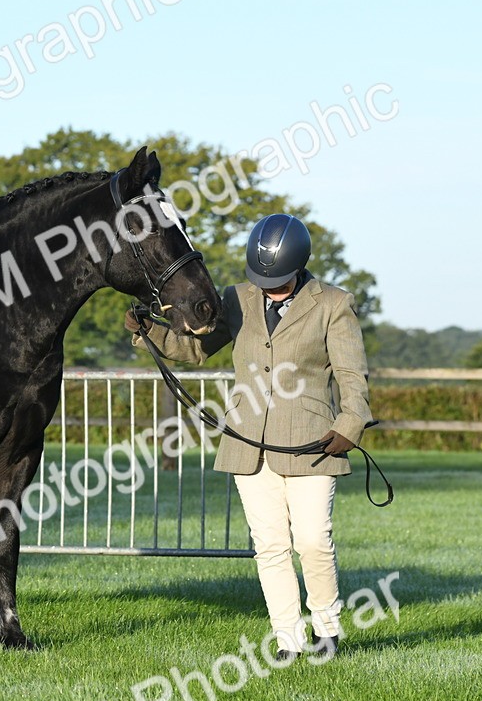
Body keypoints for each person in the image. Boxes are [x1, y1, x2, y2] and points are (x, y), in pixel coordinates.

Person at [126, 213, 371, 660]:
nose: (268, 286)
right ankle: (288, 640)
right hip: (247, 442)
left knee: (314, 540)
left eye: (277, 279)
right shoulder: (235, 298)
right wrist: (150, 333)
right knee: (271, 547)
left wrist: (350, 425)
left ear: (299, 266)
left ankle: (328, 628)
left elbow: (353, 375)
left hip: (314, 441)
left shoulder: (334, 303)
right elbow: (196, 349)